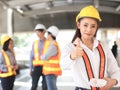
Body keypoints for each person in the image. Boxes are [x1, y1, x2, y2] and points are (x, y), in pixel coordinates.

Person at [60, 5, 120, 90]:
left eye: (93, 26)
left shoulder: (103, 46)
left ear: (96, 28)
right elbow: (62, 66)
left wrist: (114, 81)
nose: (89, 30)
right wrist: (72, 56)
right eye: (85, 25)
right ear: (78, 25)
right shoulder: (70, 47)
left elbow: (115, 69)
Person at [41, 25, 62, 90]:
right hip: (51, 71)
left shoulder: (53, 46)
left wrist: (42, 56)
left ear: (51, 35)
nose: (46, 35)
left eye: (48, 34)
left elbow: (44, 57)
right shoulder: (52, 44)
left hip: (51, 72)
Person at [29, 24, 47, 90]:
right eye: (36, 32)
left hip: (46, 67)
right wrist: (30, 69)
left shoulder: (48, 42)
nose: (37, 33)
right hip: (36, 67)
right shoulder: (35, 43)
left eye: (39, 31)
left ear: (44, 32)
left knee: (45, 87)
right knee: (34, 86)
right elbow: (31, 56)